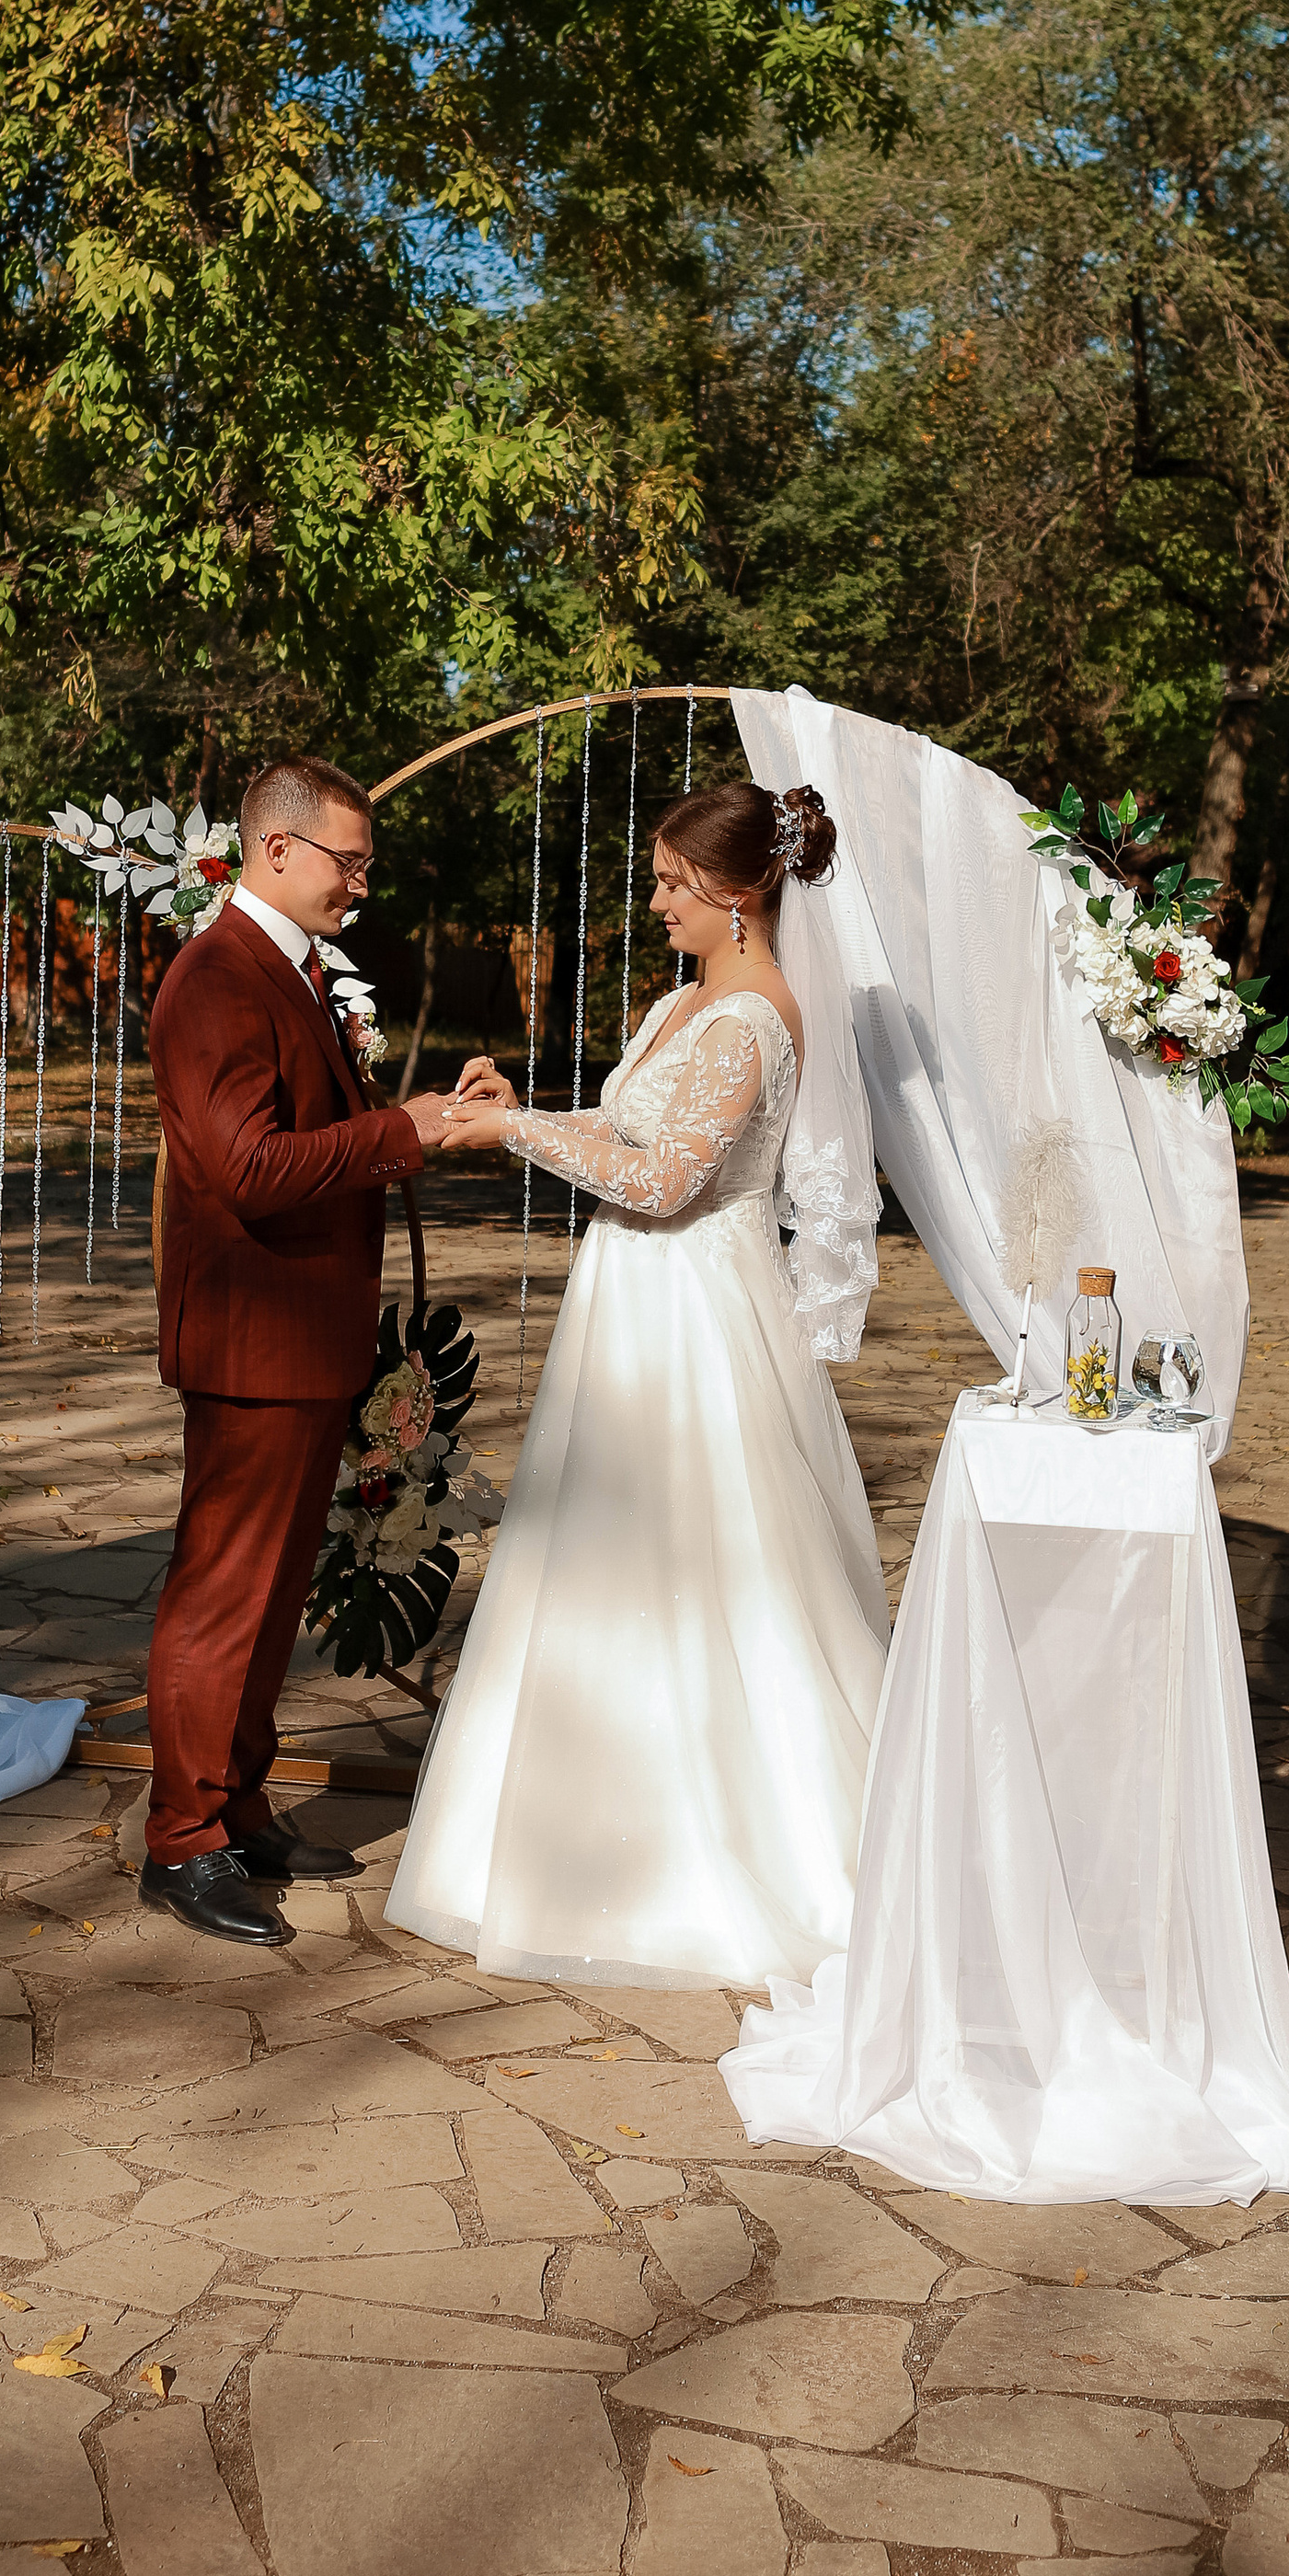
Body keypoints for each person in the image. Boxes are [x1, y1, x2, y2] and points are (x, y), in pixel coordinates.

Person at [385, 781, 892, 1990]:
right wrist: (531, 1112)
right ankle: (571, 1825)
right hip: (632, 1301)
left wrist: (508, 1139)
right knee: (604, 1557)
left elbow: (668, 1185)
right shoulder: (681, 1002)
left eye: (674, 883)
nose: (657, 901)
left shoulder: (755, 1019)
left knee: (700, 1557)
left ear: (740, 892)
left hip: (695, 1314)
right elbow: (631, 1143)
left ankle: (716, 1848)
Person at [141, 754, 487, 1945]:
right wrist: (402, 1132)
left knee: (272, 1593)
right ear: (277, 849)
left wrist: (421, 1118)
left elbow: (311, 1132)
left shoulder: (286, 971)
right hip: (254, 1340)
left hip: (302, 1337)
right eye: (350, 862)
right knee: (223, 1595)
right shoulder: (216, 979)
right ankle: (182, 1842)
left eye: (367, 866)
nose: (361, 886)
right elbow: (246, 1170)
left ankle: (237, 1808)